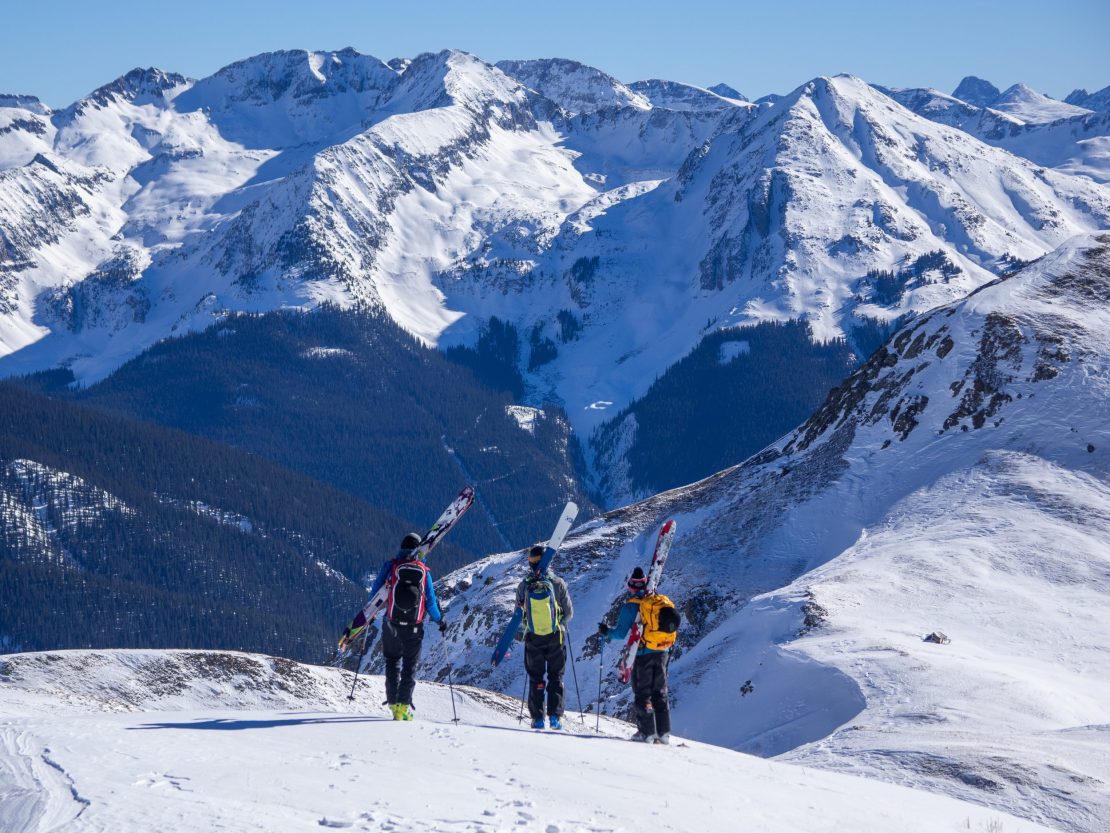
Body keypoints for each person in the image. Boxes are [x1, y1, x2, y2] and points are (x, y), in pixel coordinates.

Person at [366, 532, 446, 720]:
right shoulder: (423, 571)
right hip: (414, 627)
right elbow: (431, 602)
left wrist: (371, 612)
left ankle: (393, 704)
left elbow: (375, 594)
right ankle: (403, 707)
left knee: (392, 661)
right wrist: (440, 620)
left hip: (391, 623)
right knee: (409, 665)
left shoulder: (392, 566)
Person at [597, 566, 680, 744]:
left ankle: (646, 733)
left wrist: (605, 632)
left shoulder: (631, 606)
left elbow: (620, 633)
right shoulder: (657, 602)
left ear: (631, 587)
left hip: (643, 654)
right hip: (663, 652)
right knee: (660, 692)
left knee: (643, 693)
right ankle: (663, 733)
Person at [514, 544, 574, 730]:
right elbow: (569, 613)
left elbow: (519, 613)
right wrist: (560, 623)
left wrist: (530, 626)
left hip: (534, 637)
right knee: (556, 677)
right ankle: (555, 718)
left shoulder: (524, 585)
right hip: (556, 636)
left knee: (536, 677)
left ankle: (537, 719)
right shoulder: (557, 583)